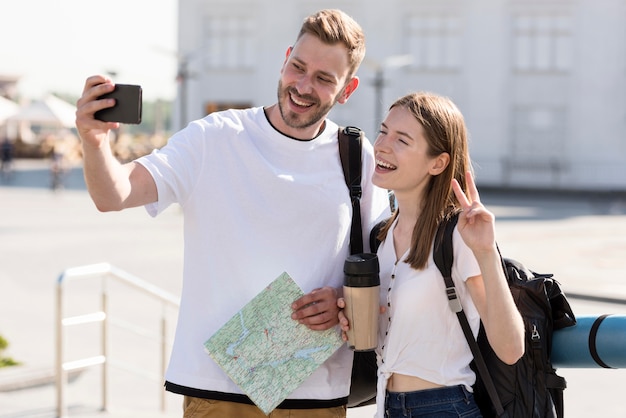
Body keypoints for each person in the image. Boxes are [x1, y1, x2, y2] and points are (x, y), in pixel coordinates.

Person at [75, 9, 390, 418]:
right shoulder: (215, 137)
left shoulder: (357, 157)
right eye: (298, 67)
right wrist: (94, 141)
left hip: (315, 390)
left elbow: (385, 265)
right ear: (285, 59)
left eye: (324, 79)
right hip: (216, 388)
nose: (303, 85)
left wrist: (344, 301)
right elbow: (113, 195)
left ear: (347, 89)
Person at [338, 92, 525, 418]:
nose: (381, 145)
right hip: (387, 405)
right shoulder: (381, 236)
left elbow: (511, 350)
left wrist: (485, 253)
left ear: (437, 162)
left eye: (402, 140)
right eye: (383, 131)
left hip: (444, 407)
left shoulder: (458, 234)